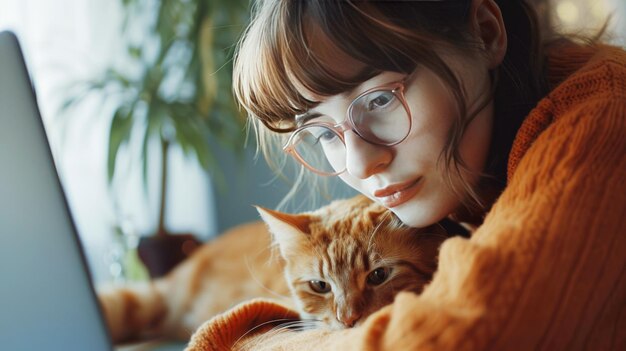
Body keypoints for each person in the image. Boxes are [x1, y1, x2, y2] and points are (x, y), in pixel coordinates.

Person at [187, 0, 626, 350]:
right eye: (321, 131)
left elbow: (466, 336)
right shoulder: (474, 185)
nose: (359, 164)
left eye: (380, 100)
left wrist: (251, 341)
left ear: (485, 34)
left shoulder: (602, 120)